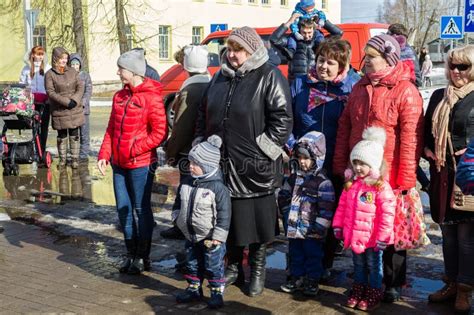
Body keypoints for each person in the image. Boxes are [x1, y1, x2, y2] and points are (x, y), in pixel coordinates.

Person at [195, 26, 293, 297]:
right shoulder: (220, 78)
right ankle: (236, 266)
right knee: (231, 218)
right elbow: (203, 114)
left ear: (252, 51)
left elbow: (283, 119)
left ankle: (258, 268)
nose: (232, 54)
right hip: (222, 162)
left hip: (255, 165)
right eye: (229, 48)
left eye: (238, 49)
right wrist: (201, 143)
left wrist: (263, 149)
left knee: (259, 221)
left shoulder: (269, 75)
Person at [333, 34, 424, 303]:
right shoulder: (360, 87)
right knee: (363, 223)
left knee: (391, 229)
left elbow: (411, 138)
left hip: (391, 172)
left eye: (371, 57)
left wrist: (405, 178)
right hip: (360, 170)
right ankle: (366, 278)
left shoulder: (405, 90)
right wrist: (342, 164)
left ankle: (392, 282)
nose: (365, 62)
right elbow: (344, 127)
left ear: (388, 59)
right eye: (365, 57)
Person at [290, 37, 360, 276]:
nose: (323, 66)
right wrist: (293, 147)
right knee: (300, 213)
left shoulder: (352, 87)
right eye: (321, 60)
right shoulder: (301, 84)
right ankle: (299, 267)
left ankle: (323, 265)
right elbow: (286, 119)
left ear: (342, 67)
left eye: (331, 63)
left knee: (328, 216)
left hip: (335, 163)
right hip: (304, 163)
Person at [97, 49, 167, 275]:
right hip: (119, 164)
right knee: (123, 210)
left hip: (141, 164)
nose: (118, 72)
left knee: (140, 209)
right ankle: (131, 254)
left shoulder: (152, 98)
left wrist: (134, 148)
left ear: (134, 72)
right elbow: (110, 129)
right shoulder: (119, 96)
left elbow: (160, 133)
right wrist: (103, 155)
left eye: (121, 69)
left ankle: (142, 256)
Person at [424, 45, 474, 314]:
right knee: (448, 233)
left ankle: (465, 290)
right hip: (442, 173)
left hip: (468, 175)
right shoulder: (437, 96)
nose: (456, 72)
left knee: (467, 238)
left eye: (463, 67)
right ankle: (451, 283)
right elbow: (424, 132)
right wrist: (428, 149)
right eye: (452, 66)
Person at [333, 127, 396, 311]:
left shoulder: (380, 187)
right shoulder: (351, 184)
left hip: (373, 240)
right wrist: (338, 226)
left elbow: (387, 214)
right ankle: (358, 290)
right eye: (355, 163)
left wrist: (383, 237)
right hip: (354, 236)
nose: (358, 167)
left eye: (363, 163)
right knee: (358, 265)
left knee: (374, 266)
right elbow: (342, 207)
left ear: (374, 164)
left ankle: (373, 292)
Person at [174, 135, 231, 309]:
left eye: (195, 164)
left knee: (213, 266)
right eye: (190, 162)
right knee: (191, 263)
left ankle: (216, 292)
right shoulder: (186, 182)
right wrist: (176, 217)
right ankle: (193, 289)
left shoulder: (218, 188)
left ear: (207, 166)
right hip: (190, 235)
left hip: (210, 238)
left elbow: (224, 214)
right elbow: (178, 202)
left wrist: (219, 236)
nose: (190, 166)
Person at [162, 45, 211, 240]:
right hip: (207, 148)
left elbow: (180, 126)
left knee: (186, 189)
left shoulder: (190, 89)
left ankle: (182, 226)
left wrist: (171, 151)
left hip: (188, 151)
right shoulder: (211, 84)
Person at [278, 131, 335, 296]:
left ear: (316, 158)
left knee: (313, 255)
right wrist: (286, 212)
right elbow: (284, 195)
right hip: (294, 226)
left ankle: (312, 280)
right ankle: (297, 278)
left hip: (312, 230)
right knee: (295, 253)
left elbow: (326, 208)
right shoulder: (294, 177)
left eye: (306, 158)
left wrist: (319, 227)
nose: (302, 162)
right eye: (299, 158)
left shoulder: (323, 182)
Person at [271, 12, 342, 83]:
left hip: (315, 82)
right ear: (299, 31)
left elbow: (338, 33)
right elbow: (274, 39)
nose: (307, 36)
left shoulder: (320, 40)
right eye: (304, 33)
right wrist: (290, 21)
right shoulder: (292, 40)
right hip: (296, 83)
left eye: (309, 33)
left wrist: (322, 22)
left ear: (314, 31)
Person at [45, 47, 85, 169]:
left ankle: (74, 159)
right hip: (60, 110)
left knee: (75, 134)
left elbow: (80, 86)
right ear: (56, 58)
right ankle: (62, 160)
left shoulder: (73, 71)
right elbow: (50, 92)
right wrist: (66, 102)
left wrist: (75, 100)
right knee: (62, 136)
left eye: (66, 58)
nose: (64, 60)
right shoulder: (50, 74)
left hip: (74, 109)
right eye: (62, 58)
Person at [19, 45, 51, 155]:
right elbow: (22, 85)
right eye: (38, 54)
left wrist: (49, 97)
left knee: (43, 127)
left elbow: (51, 85)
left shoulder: (47, 68)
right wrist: (24, 98)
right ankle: (34, 150)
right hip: (31, 103)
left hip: (45, 102)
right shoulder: (26, 69)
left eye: (42, 54)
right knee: (33, 127)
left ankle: (42, 150)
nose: (40, 57)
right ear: (33, 55)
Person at [69, 53, 93, 160]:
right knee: (73, 135)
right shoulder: (68, 76)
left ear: (80, 65)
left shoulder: (85, 76)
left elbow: (88, 91)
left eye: (76, 64)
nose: (74, 66)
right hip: (72, 110)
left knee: (84, 134)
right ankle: (74, 155)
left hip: (83, 110)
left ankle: (83, 156)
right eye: (72, 64)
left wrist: (82, 102)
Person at [387, 23, 422, 87]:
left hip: (406, 89)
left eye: (389, 34)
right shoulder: (388, 50)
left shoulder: (409, 51)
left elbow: (416, 77)